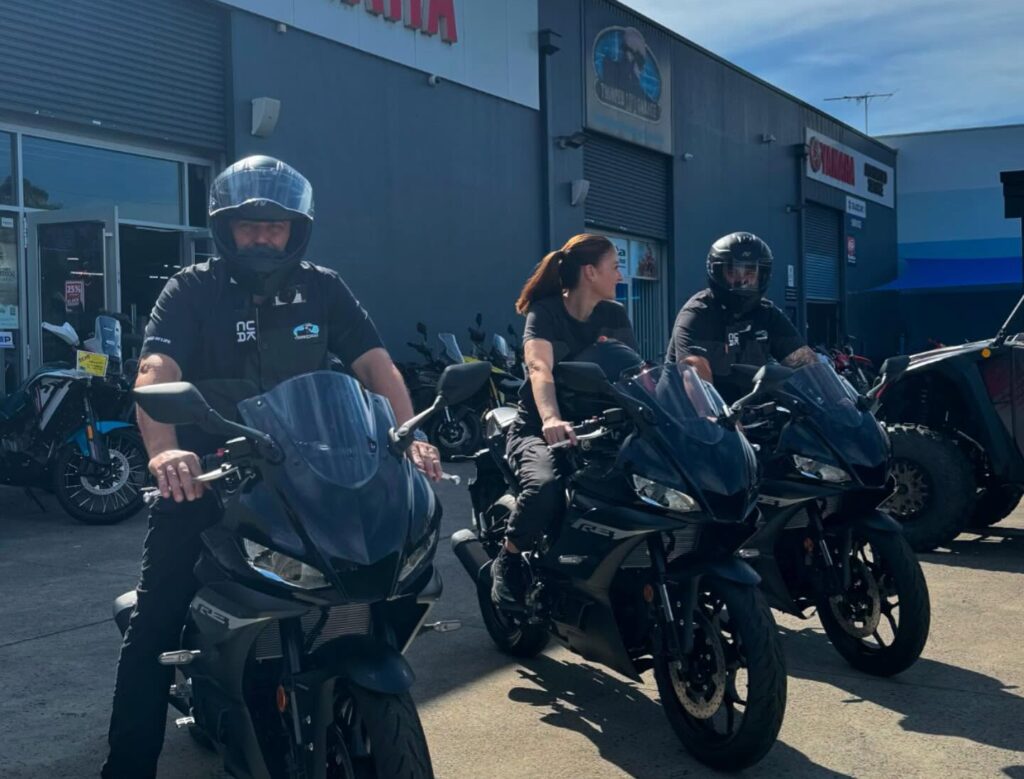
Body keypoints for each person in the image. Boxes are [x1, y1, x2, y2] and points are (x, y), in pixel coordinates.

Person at [102, 155, 441, 778]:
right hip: (211, 478)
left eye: (275, 226)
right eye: (250, 226)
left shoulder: (324, 288)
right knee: (153, 624)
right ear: (225, 229)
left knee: (380, 574)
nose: (263, 236)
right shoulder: (189, 290)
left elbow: (376, 368)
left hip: (308, 476)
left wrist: (408, 437)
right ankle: (125, 769)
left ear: (296, 229)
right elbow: (156, 373)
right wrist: (165, 453)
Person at [491, 234, 637, 607]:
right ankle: (507, 560)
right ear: (590, 272)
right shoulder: (546, 312)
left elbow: (633, 374)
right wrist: (552, 418)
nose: (619, 276)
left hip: (604, 424)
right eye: (615, 267)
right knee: (544, 488)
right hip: (541, 427)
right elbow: (540, 367)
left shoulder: (614, 314)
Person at [666, 232, 818, 403]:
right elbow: (694, 370)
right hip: (691, 418)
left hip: (747, 413)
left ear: (762, 275)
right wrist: (716, 415)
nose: (742, 280)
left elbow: (804, 361)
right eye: (733, 272)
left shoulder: (767, 314)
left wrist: (835, 401)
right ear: (716, 272)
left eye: (750, 272)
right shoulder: (698, 313)